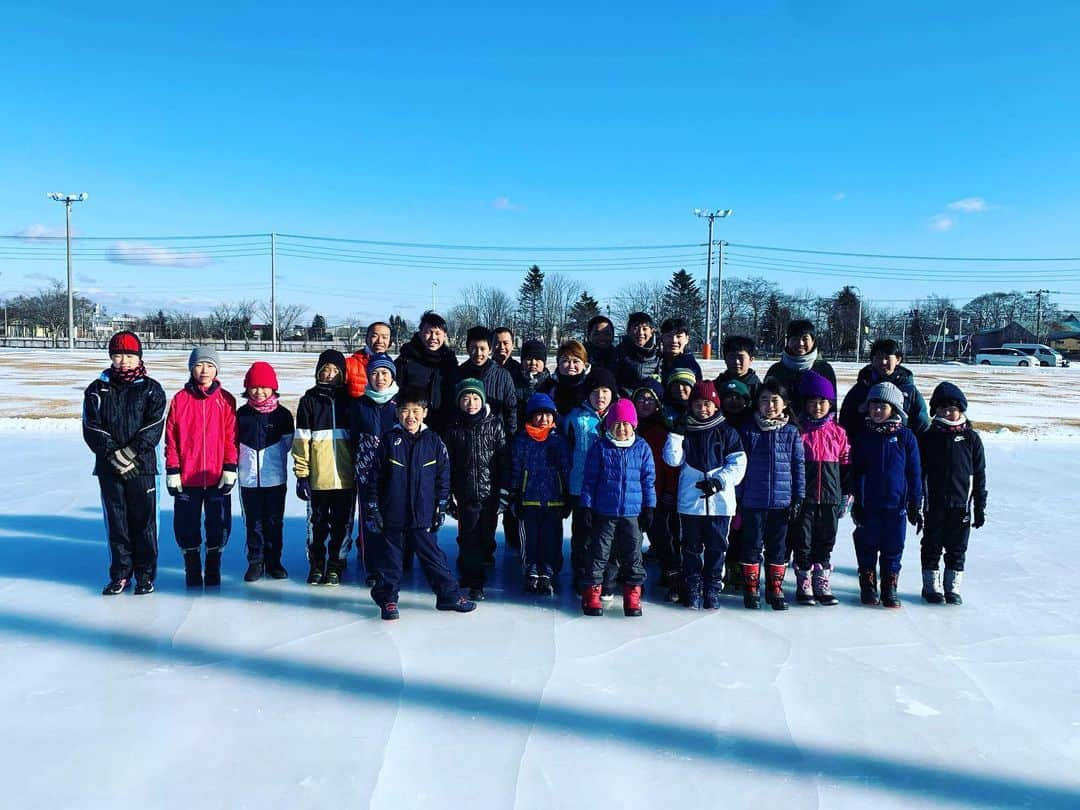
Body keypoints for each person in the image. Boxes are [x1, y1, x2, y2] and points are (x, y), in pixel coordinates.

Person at [364, 388, 476, 619]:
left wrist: (441, 504)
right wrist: (373, 506)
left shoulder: (433, 441)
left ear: (424, 413)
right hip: (393, 513)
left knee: (433, 558)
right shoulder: (388, 440)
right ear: (397, 412)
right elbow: (374, 477)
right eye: (405, 411)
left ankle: (448, 596)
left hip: (423, 514)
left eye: (416, 411)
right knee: (391, 561)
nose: (410, 416)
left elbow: (443, 476)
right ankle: (388, 600)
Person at [83, 331, 167, 595]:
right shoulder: (98, 389)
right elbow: (91, 427)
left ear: (138, 357)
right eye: (118, 355)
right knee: (117, 522)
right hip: (110, 469)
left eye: (129, 356)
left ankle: (145, 574)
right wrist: (113, 455)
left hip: (141, 468)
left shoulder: (151, 388)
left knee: (143, 522)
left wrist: (130, 452)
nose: (123, 361)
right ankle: (120, 573)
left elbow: (154, 426)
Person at [662, 381, 746, 609]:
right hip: (691, 503)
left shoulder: (727, 431)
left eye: (708, 404)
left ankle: (712, 587)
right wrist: (676, 435)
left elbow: (738, 464)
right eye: (698, 404)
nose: (703, 409)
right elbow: (672, 459)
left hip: (720, 503)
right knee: (690, 548)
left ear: (716, 405)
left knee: (717, 547)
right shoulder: (685, 429)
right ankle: (692, 585)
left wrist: (719, 482)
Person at [166, 346, 238, 589]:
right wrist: (173, 470)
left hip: (216, 476)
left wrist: (230, 466)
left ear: (216, 369)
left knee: (218, 523)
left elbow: (231, 437)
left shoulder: (226, 400)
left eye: (209, 365)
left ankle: (214, 564)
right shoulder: (180, 400)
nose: (204, 370)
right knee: (186, 525)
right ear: (191, 368)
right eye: (198, 365)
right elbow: (171, 438)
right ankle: (193, 567)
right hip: (188, 477)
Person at [580, 399, 656, 617]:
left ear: (633, 425)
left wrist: (649, 507)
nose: (621, 429)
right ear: (609, 425)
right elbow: (590, 481)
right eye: (617, 424)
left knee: (633, 555)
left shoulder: (641, 448)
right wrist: (586, 506)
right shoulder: (601, 448)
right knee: (599, 554)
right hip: (605, 512)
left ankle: (632, 595)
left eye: (626, 424)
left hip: (632, 514)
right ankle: (593, 594)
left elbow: (648, 480)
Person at [850, 381, 923, 608]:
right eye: (873, 406)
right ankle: (868, 583)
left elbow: (914, 473)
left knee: (893, 547)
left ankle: (889, 586)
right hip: (869, 504)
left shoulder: (905, 437)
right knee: (867, 545)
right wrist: (858, 502)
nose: (877, 411)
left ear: (894, 409)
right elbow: (857, 471)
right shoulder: (863, 436)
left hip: (896, 505)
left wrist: (915, 504)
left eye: (882, 406)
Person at [737, 379, 805, 611]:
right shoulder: (748, 430)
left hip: (781, 502)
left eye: (775, 400)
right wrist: (738, 497)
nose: (769, 405)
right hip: (753, 500)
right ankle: (751, 588)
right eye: (764, 400)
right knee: (752, 545)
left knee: (778, 547)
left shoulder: (791, 432)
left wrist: (798, 497)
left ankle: (775, 589)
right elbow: (740, 466)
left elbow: (798, 466)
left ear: (785, 404)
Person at [918, 382, 986, 605]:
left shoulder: (971, 439)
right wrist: (915, 505)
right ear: (935, 410)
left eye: (952, 408)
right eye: (942, 408)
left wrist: (979, 506)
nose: (948, 412)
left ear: (961, 410)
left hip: (961, 506)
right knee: (932, 546)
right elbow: (920, 473)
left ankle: (952, 587)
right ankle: (931, 586)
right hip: (934, 504)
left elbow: (979, 475)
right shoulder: (928, 437)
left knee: (957, 548)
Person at [293, 349, 355, 586]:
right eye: (325, 370)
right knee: (317, 525)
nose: (329, 375)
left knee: (342, 525)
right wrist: (302, 474)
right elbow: (301, 442)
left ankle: (336, 565)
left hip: (345, 479)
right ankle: (317, 564)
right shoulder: (309, 401)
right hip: (318, 478)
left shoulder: (350, 402)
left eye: (335, 371)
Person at [444, 378, 510, 601]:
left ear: (482, 400)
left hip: (490, 493)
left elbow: (503, 461)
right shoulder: (454, 429)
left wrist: (504, 492)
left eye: (475, 398)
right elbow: (448, 465)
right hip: (466, 494)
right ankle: (475, 581)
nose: (470, 403)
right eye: (465, 398)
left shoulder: (494, 425)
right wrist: (447, 496)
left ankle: (476, 564)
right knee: (469, 536)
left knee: (486, 535)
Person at [789, 370, 850, 606]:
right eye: (813, 402)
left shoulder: (838, 433)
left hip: (830, 498)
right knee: (802, 541)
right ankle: (804, 580)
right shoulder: (798, 433)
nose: (817, 407)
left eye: (822, 402)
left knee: (826, 540)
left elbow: (846, 466)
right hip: (805, 499)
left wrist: (845, 494)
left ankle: (821, 579)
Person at [508, 393, 571, 595]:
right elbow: (516, 468)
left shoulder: (559, 441)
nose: (544, 419)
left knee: (551, 538)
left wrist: (567, 494)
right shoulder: (522, 440)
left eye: (548, 415)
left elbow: (566, 468)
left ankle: (548, 571)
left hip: (554, 500)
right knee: (530, 538)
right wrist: (515, 492)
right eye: (539, 415)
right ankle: (532, 570)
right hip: (529, 499)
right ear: (530, 417)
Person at [236, 361, 294, 582]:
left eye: (264, 387)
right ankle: (255, 561)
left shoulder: (283, 416)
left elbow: (288, 444)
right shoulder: (241, 415)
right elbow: (233, 444)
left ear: (273, 388)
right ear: (247, 389)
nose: (259, 392)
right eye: (254, 387)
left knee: (274, 521)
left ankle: (274, 561)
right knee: (253, 521)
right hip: (248, 480)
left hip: (275, 479)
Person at [564, 367, 617, 593]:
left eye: (605, 390)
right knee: (583, 535)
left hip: (611, 489)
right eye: (595, 391)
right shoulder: (575, 418)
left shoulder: (620, 417)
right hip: (580, 487)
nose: (601, 396)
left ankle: (607, 579)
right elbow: (565, 452)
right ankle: (582, 576)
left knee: (607, 536)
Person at [350, 353, 399, 586]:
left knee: (392, 518)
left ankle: (393, 563)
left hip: (394, 473)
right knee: (370, 520)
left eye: (385, 373)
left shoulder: (399, 406)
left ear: (392, 377)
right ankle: (372, 566)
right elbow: (351, 438)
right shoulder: (360, 405)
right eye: (375, 373)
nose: (380, 378)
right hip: (367, 473)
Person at [633, 379, 681, 600]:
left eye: (650, 400)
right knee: (630, 538)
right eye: (640, 399)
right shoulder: (626, 427)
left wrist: (670, 490)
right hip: (630, 495)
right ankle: (629, 577)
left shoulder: (662, 430)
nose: (644, 403)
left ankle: (672, 574)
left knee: (662, 536)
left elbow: (670, 465)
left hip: (656, 494)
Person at [839, 338, 930, 435]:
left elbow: (921, 424)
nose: (883, 362)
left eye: (888, 357)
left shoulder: (909, 390)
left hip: (898, 446)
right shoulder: (861, 388)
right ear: (872, 359)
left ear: (898, 359)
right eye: (879, 357)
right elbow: (846, 421)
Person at [394, 311, 459, 434]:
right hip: (412, 424)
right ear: (420, 333)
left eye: (437, 333)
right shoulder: (406, 359)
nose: (433, 338)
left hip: (442, 424)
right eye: (428, 332)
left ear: (444, 335)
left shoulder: (449, 361)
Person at [452, 325, 517, 442]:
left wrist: (510, 438)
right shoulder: (458, 374)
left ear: (490, 349)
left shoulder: (503, 375)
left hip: (494, 439)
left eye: (483, 349)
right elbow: (453, 408)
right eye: (473, 348)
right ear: (467, 348)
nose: (478, 353)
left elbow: (511, 409)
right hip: (465, 438)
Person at [764, 320, 837, 416]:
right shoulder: (776, 370)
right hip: (782, 427)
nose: (800, 343)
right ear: (788, 341)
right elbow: (764, 400)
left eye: (805, 339)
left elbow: (831, 405)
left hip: (815, 428)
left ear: (813, 341)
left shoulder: (824, 369)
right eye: (795, 339)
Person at [537, 339, 592, 416]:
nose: (571, 366)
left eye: (576, 361)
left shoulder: (591, 384)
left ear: (584, 363)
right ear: (558, 363)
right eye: (565, 361)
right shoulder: (548, 387)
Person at [613, 312, 661, 395]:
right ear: (628, 331)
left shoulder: (659, 353)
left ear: (651, 332)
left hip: (650, 401)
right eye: (636, 328)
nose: (640, 333)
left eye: (645, 329)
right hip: (626, 401)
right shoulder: (619, 353)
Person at [345, 321, 393, 399]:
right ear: (367, 338)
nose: (380, 341)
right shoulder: (349, 364)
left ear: (390, 341)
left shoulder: (394, 366)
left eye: (385, 337)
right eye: (375, 336)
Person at [716, 335, 762, 404]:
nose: (736, 362)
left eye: (741, 357)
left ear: (751, 359)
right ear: (725, 359)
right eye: (732, 357)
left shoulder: (759, 388)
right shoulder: (716, 385)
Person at [658, 317, 702, 383]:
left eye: (678, 336)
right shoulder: (655, 361)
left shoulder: (691, 366)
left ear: (687, 339)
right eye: (669, 336)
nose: (674, 341)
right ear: (662, 338)